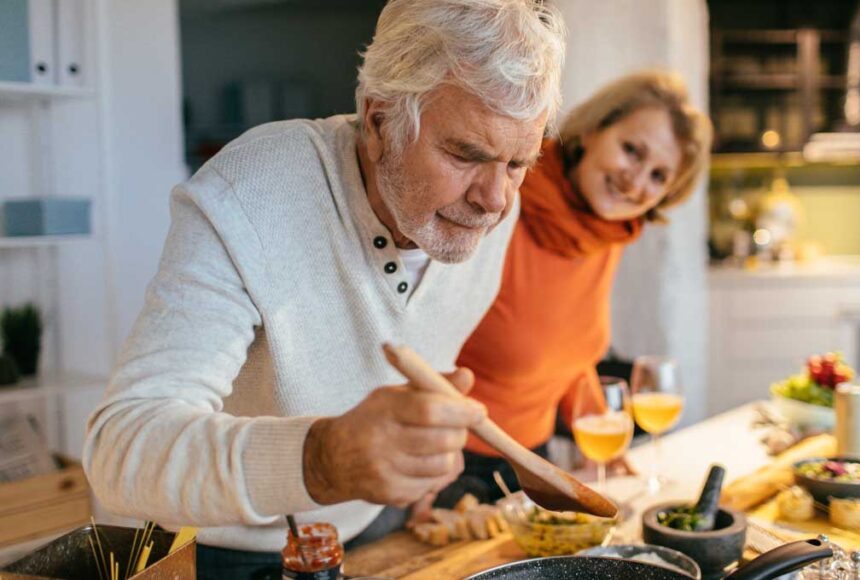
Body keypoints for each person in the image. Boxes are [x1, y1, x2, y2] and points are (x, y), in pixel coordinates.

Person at [82, 1, 565, 578]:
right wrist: (321, 460)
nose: (496, 199)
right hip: (213, 551)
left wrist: (409, 467)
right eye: (465, 154)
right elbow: (121, 452)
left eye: (518, 163)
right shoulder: (253, 193)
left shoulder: (485, 206)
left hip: (368, 531)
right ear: (380, 120)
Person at [439, 70, 712, 506]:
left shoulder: (606, 233)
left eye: (659, 176)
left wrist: (604, 439)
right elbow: (418, 341)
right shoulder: (500, 200)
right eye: (631, 151)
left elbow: (568, 353)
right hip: (450, 469)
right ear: (591, 131)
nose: (636, 182)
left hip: (534, 461)